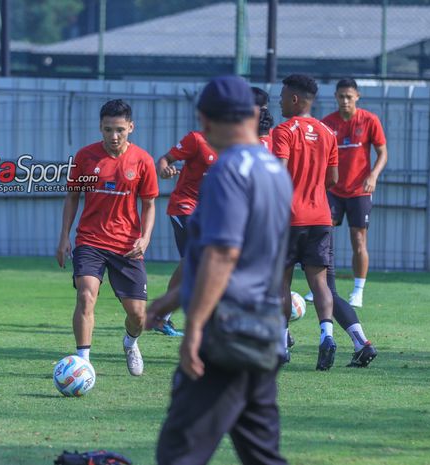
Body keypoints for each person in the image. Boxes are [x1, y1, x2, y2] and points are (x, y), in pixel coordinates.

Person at [152, 76, 292, 465]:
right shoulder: (275, 170)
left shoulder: (227, 170)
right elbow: (249, 257)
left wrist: (194, 325)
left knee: (179, 451)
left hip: (229, 332)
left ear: (206, 120)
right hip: (265, 331)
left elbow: (224, 255)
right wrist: (169, 300)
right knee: (262, 454)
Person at [56, 99, 159, 377]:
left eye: (120, 130)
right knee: (86, 295)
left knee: (138, 316)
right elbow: (72, 197)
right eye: (108, 130)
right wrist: (64, 236)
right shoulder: (85, 157)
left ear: (131, 128)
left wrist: (145, 238)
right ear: (100, 128)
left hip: (127, 246)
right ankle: (83, 363)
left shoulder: (142, 161)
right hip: (90, 241)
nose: (114, 136)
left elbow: (149, 205)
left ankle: (130, 342)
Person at [273, 74, 339, 370]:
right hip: (321, 216)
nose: (280, 100)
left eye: (284, 96)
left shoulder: (284, 131)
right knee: (320, 282)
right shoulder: (328, 132)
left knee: (281, 281)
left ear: (295, 99)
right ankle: (327, 335)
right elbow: (333, 179)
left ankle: (280, 344)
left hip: (289, 218)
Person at [321, 78, 388, 308]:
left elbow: (382, 153)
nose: (345, 101)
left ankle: (358, 291)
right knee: (323, 237)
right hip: (333, 190)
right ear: (336, 97)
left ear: (357, 96)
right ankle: (323, 287)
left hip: (360, 190)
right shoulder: (328, 123)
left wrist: (373, 176)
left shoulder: (369, 120)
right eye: (341, 96)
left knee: (358, 239)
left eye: (349, 96)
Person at [154, 129, 217, 336]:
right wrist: (164, 170)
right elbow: (164, 160)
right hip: (184, 208)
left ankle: (162, 317)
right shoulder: (196, 139)